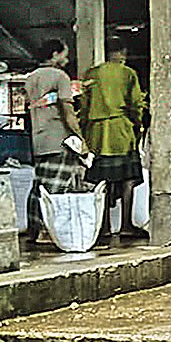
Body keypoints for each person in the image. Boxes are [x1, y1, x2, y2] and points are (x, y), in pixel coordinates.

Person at [82, 36, 147, 244]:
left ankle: (104, 227)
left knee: (102, 180)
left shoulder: (91, 74)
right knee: (127, 178)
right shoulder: (128, 74)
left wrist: (85, 131)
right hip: (121, 130)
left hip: (97, 132)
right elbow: (137, 104)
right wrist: (137, 124)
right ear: (123, 53)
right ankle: (126, 225)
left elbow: (83, 105)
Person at [23, 39, 84, 244]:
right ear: (55, 54)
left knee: (39, 185)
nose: (66, 59)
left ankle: (34, 229)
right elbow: (68, 113)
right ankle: (45, 231)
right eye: (64, 54)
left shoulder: (31, 78)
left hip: (39, 139)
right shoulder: (60, 77)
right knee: (55, 188)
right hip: (59, 139)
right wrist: (81, 139)